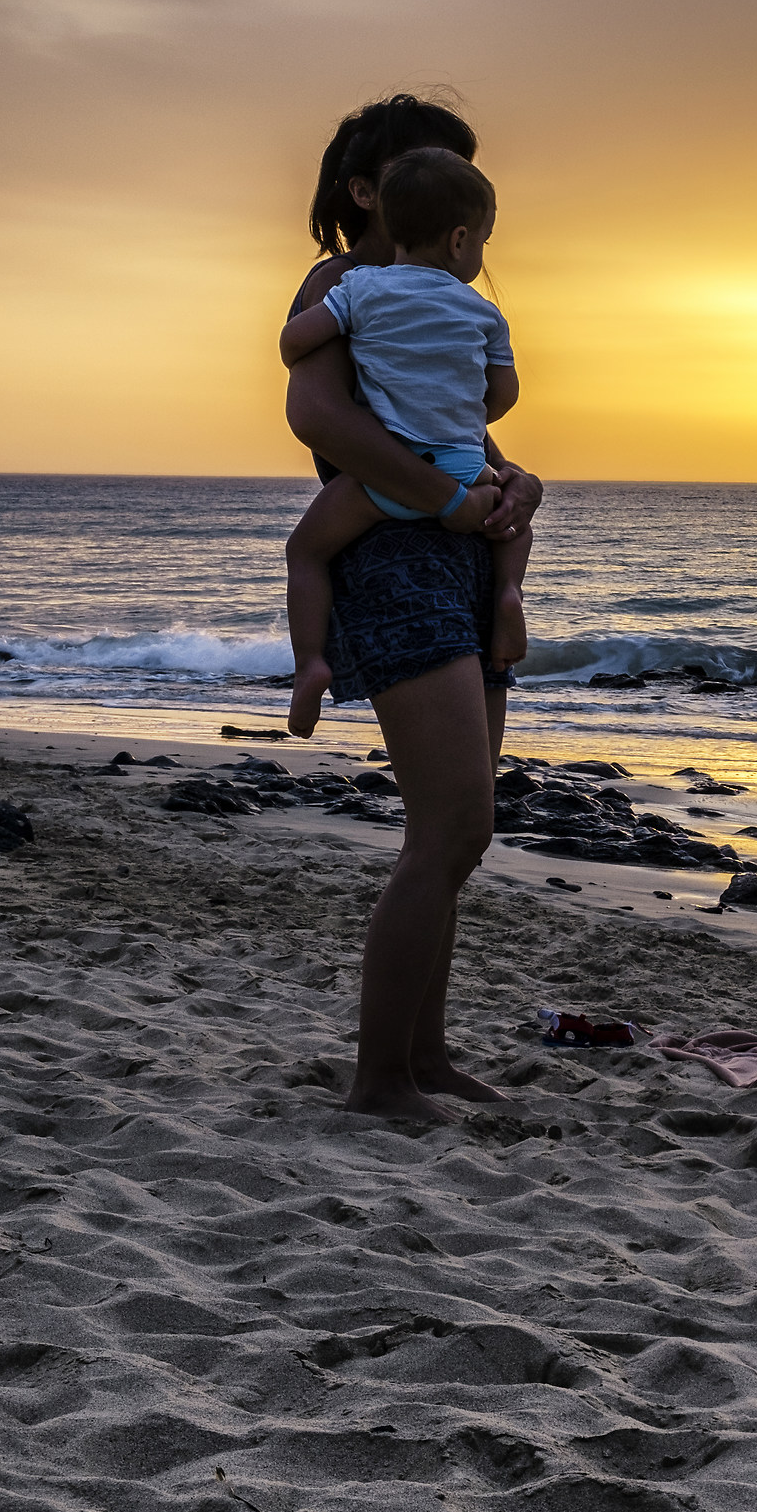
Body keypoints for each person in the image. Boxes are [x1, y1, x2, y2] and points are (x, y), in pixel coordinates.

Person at [286, 93, 542, 1121]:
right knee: (451, 825)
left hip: (461, 557)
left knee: (458, 838)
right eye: (430, 166)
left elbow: (462, 421)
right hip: (395, 557)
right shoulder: (342, 283)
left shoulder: (442, 295)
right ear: (366, 190)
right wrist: (444, 497)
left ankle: (424, 1057)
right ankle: (380, 1080)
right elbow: (319, 415)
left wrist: (511, 479)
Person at [279, 146, 528, 740]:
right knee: (514, 524)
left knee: (306, 552)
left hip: (390, 475)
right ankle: (508, 594)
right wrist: (458, 407)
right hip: (467, 466)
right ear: (461, 240)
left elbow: (293, 342)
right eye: (485, 241)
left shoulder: (360, 288)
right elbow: (503, 396)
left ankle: (311, 663)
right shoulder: (485, 313)